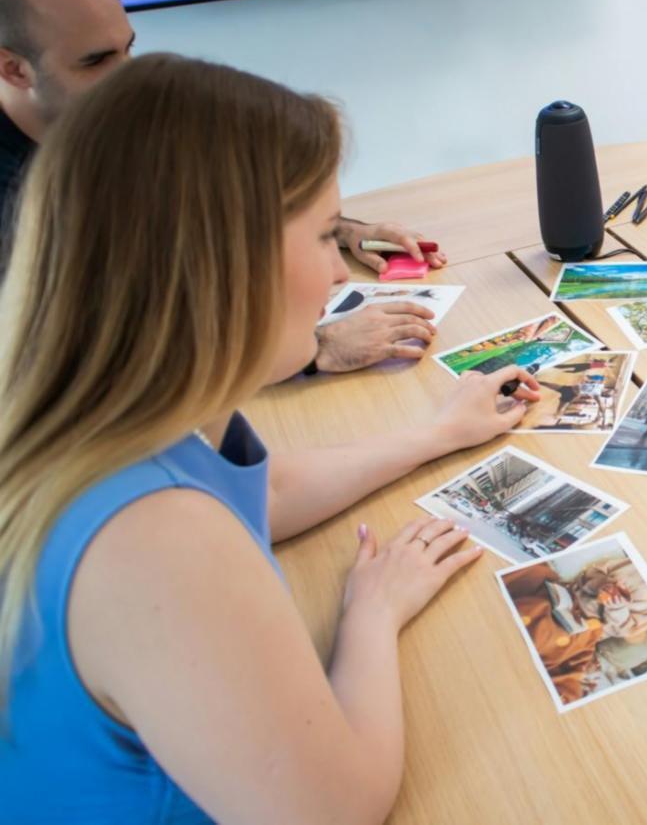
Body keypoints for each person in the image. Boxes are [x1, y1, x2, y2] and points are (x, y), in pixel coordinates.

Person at [0, 53, 542, 822]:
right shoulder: (153, 542)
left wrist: (436, 433)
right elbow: (336, 808)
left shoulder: (103, 414)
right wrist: (370, 616)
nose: (338, 272)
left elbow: (265, 489)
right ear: (220, 261)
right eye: (326, 236)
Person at [0, 0, 446, 372]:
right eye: (96, 61)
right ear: (13, 69)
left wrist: (344, 231)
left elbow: (209, 208)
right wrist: (315, 348)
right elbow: (105, 361)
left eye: (128, 48)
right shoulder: (18, 206)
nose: (129, 75)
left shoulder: (118, 118)